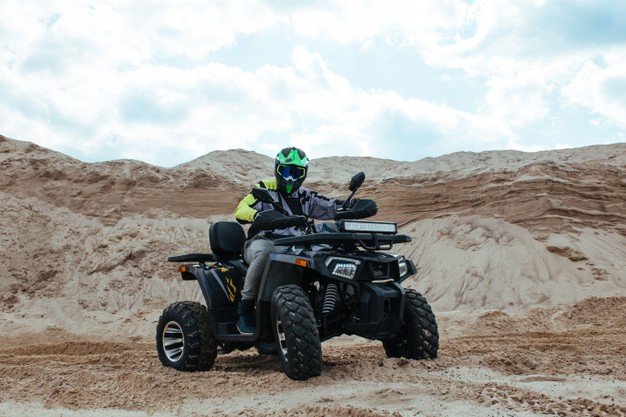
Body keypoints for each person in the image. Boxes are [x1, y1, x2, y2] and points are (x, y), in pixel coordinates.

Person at [234, 147, 342, 334]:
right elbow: (240, 210)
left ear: (304, 173)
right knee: (267, 252)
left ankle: (327, 304)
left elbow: (330, 207)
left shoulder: (306, 196)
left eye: (296, 172)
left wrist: (353, 206)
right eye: (285, 171)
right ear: (277, 170)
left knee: (328, 252)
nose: (290, 177)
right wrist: (259, 216)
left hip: (296, 246)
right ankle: (245, 308)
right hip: (262, 241)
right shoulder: (264, 188)